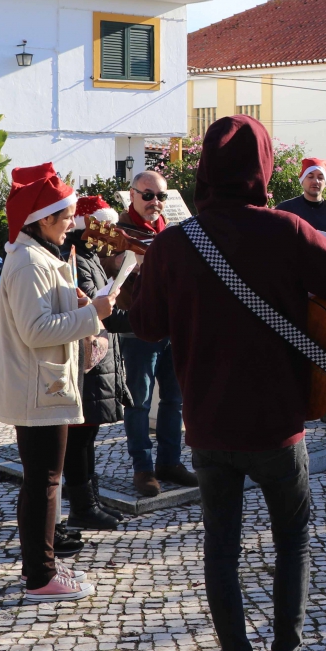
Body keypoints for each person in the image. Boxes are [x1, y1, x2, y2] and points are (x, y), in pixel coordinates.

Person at [129, 115, 326, 651]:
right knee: (291, 541)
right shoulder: (287, 230)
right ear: (263, 166)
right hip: (277, 425)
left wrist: (154, 274)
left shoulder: (173, 242)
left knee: (221, 549)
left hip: (210, 430)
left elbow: (146, 326)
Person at [0, 162, 117, 601]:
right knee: (44, 481)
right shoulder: (27, 262)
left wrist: (77, 301)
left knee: (44, 479)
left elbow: (45, 317)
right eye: (66, 217)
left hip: (43, 386)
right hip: (36, 388)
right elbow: (36, 331)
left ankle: (43, 567)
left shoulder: (39, 256)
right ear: (43, 219)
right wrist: (92, 313)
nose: (71, 224)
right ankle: (40, 576)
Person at [119, 170, 191, 497]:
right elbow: (107, 269)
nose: (155, 202)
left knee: (174, 400)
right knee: (139, 401)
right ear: (132, 194)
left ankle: (170, 462)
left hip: (174, 327)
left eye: (160, 196)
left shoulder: (170, 231)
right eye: (147, 195)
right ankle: (143, 469)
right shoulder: (116, 232)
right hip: (140, 330)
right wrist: (123, 262)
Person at [63, 196, 132, 531]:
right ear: (88, 227)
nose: (112, 233)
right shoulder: (75, 256)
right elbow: (93, 307)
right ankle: (82, 507)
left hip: (92, 358)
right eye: (106, 226)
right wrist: (138, 320)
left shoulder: (89, 255)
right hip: (82, 361)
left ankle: (91, 500)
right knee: (78, 438)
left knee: (87, 435)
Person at [275, 157, 326, 426]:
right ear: (303, 180)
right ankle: (289, 404)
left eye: (320, 177)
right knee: (290, 349)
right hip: (292, 291)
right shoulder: (285, 210)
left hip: (325, 294)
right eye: (311, 176)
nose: (316, 182)